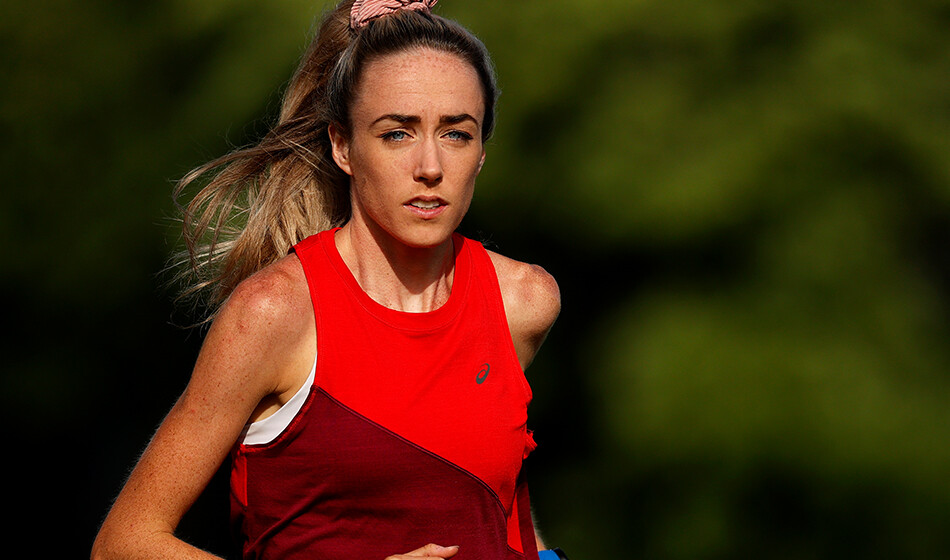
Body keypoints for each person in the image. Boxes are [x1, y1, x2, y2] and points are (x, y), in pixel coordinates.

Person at [92, 0, 561, 558]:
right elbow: (124, 542)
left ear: (482, 152)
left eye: (457, 134)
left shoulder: (523, 302)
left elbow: (488, 506)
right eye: (397, 134)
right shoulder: (273, 313)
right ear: (343, 146)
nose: (431, 167)